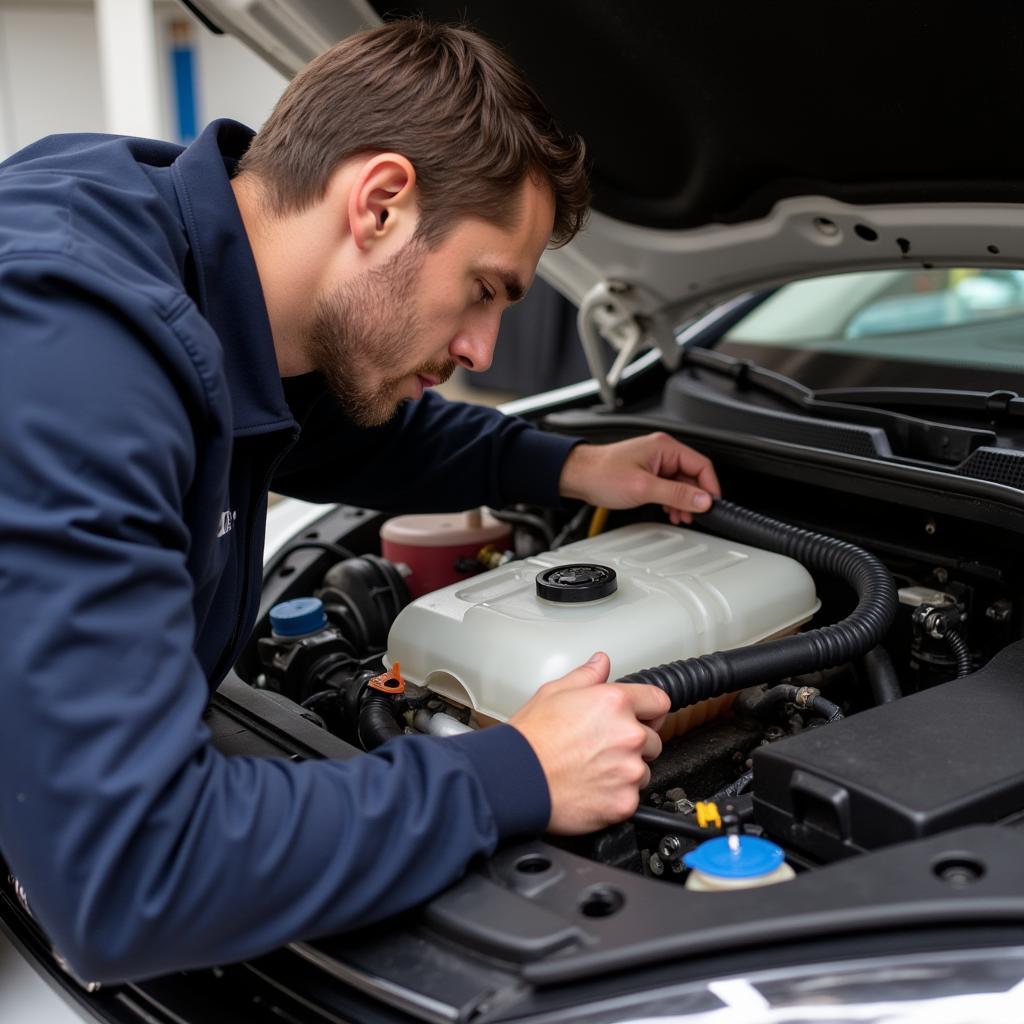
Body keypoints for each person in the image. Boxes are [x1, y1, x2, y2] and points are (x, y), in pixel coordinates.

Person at [0, 20, 719, 982]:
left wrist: (560, 466)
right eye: (483, 290)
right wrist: (518, 773)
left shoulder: (153, 227)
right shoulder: (82, 365)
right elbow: (129, 881)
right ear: (379, 202)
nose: (482, 352)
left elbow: (307, 416)